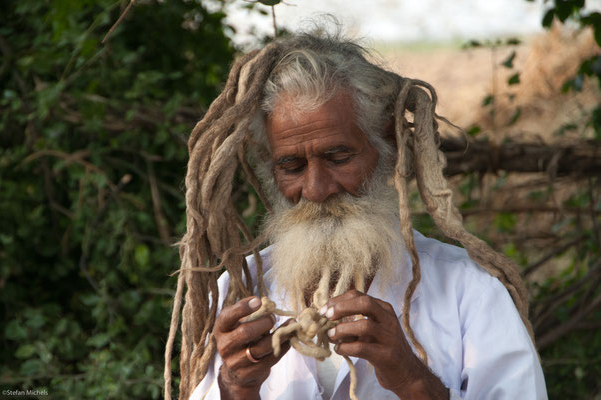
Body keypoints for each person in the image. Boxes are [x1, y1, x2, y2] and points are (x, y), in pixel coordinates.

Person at [164, 28, 547, 400]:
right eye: (292, 166)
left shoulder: (470, 293)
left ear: (389, 147)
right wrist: (235, 388)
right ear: (269, 169)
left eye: (338, 157)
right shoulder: (239, 290)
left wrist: (411, 378)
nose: (316, 189)